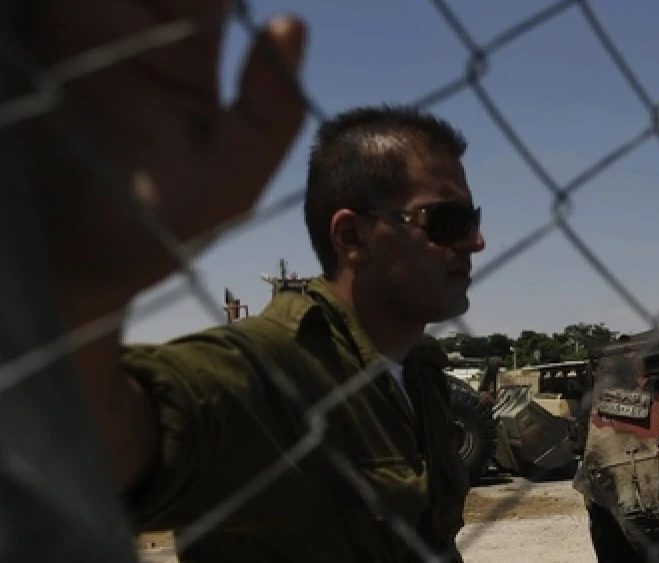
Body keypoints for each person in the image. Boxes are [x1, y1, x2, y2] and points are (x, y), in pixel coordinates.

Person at [21, 2, 484, 562]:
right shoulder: (268, 370)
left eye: (473, 220)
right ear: (353, 238)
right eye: (448, 222)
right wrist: (83, 290)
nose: (474, 243)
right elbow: (99, 445)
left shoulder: (422, 372)